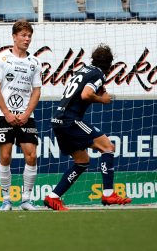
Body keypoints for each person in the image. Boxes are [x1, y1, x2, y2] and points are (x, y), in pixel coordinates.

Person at [43, 44, 132, 211]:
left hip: (58, 120)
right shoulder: (98, 74)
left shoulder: (83, 70)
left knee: (82, 161)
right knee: (107, 147)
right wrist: (103, 100)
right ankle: (108, 194)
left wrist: (99, 92)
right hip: (70, 120)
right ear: (110, 65)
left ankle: (53, 197)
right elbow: (86, 94)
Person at [0, 21, 42, 211]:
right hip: (3, 115)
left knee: (32, 156)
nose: (27, 39)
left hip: (27, 116)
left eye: (29, 36)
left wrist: (27, 113)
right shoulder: (2, 60)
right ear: (14, 37)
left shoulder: (35, 63)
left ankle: (26, 200)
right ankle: (6, 200)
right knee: (5, 156)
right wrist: (7, 113)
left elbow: (36, 91)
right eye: (23, 35)